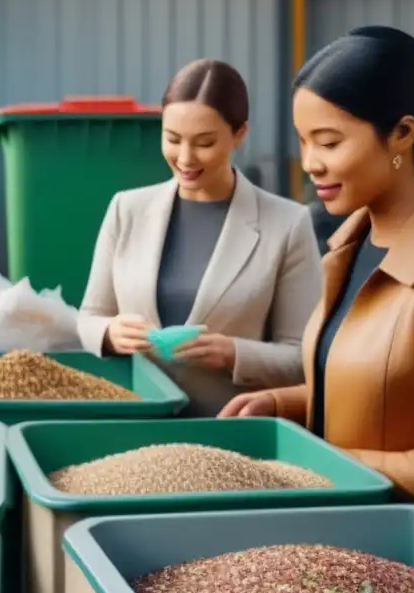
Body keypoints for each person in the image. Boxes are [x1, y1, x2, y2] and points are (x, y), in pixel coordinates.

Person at [220, 26, 414, 549]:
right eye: (304, 141)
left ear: (402, 134)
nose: (311, 161)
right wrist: (284, 404)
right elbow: (387, 396)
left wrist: (322, 463)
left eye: (330, 141)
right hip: (357, 545)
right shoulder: (348, 248)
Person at [79, 59, 323, 416]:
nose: (185, 158)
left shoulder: (287, 224)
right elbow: (88, 317)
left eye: (205, 143)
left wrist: (233, 353)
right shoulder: (126, 209)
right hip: (133, 423)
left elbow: (305, 355)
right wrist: (109, 333)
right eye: (172, 139)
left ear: (240, 133)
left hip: (228, 428)